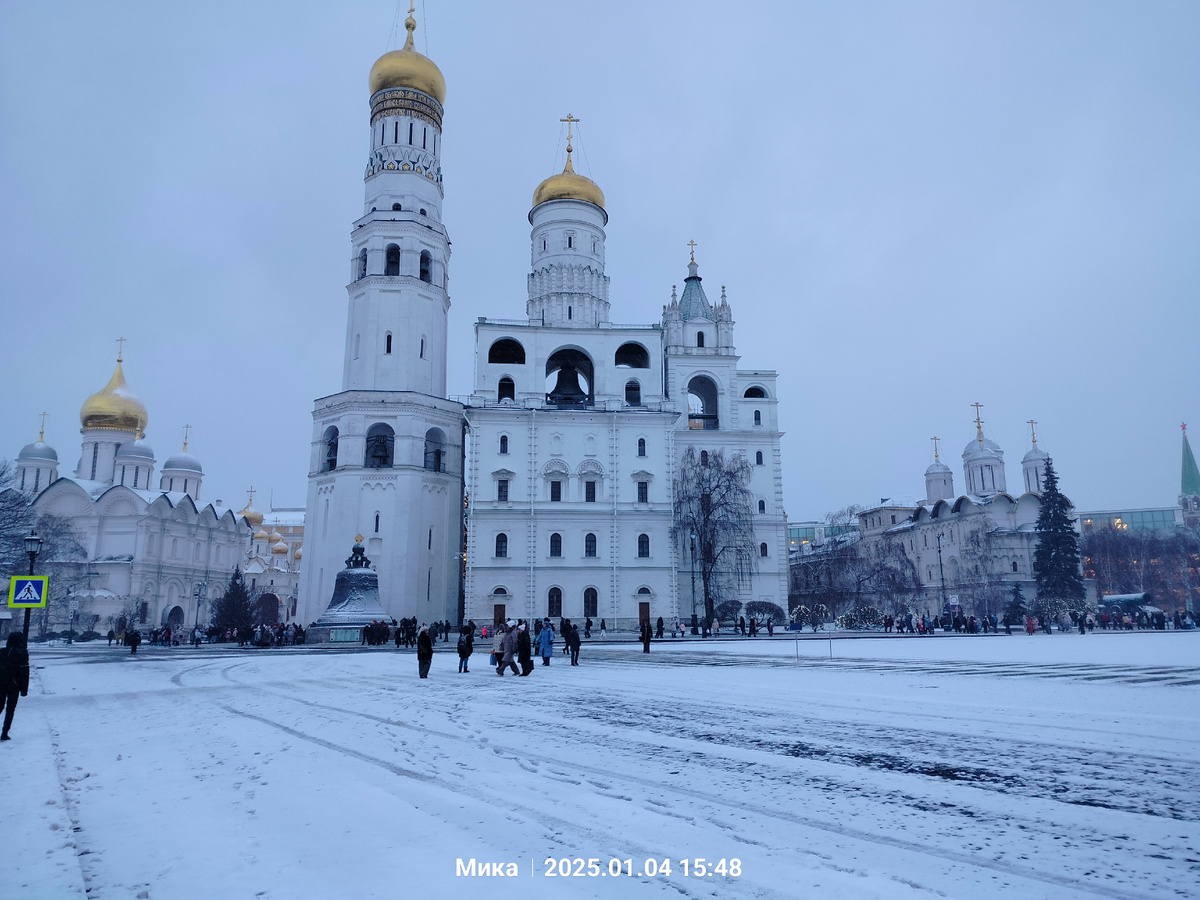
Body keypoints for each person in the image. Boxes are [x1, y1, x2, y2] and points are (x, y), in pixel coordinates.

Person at [0, 632, 31, 741]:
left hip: (1, 683)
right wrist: (24, 689)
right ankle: (4, 732)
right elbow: (24, 672)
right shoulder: (22, 653)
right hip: (14, 685)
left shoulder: (2, 652)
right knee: (10, 709)